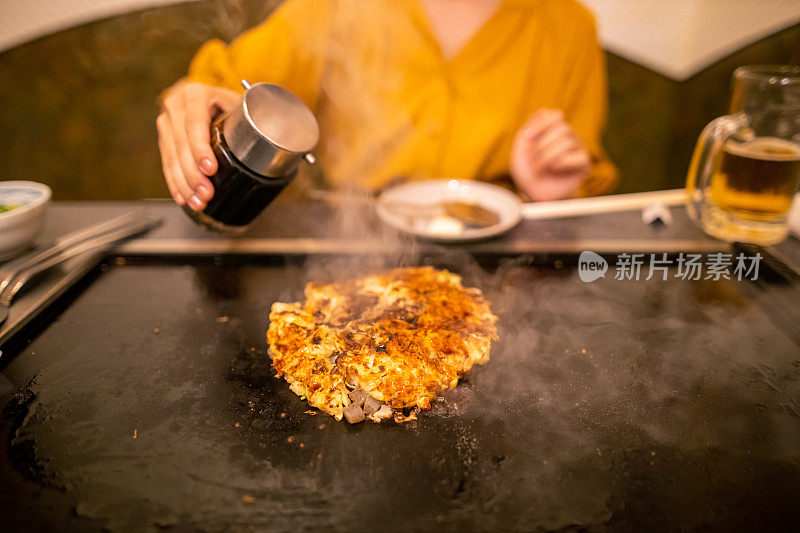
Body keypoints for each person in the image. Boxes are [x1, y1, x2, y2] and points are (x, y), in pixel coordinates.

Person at [157, 0, 618, 212]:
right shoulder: (337, 6)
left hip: (501, 267)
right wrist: (197, 103)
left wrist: (549, 194)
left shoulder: (570, 26)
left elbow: (580, 188)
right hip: (349, 245)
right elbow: (213, 86)